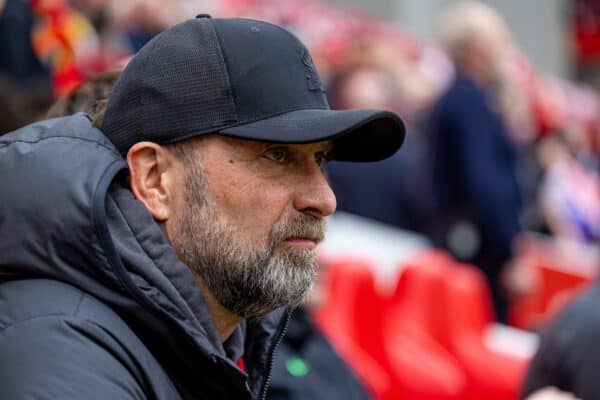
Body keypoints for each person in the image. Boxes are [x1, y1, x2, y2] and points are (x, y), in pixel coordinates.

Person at [0, 15, 405, 400]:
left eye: (319, 160)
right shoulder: (60, 353)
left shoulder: (209, 333)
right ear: (155, 179)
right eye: (277, 155)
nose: (324, 200)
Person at [422, 1, 522, 321]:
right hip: (480, 259)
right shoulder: (468, 101)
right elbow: (486, 184)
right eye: (499, 42)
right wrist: (508, 254)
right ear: (478, 47)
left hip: (466, 250)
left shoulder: (458, 98)